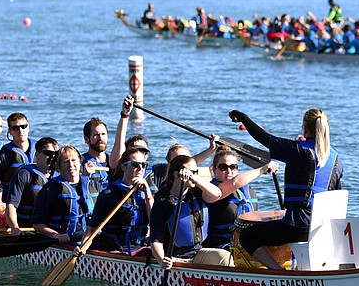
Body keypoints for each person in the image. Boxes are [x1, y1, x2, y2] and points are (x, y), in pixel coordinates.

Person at [228, 108, 343, 270]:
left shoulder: (298, 151)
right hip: (323, 228)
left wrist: (243, 117)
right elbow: (337, 195)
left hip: (298, 227)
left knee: (247, 236)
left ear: (304, 127)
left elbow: (266, 139)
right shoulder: (336, 158)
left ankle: (279, 272)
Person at [147, 155, 223, 269]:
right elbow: (156, 240)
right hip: (174, 257)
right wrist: (162, 260)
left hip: (196, 253)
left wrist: (195, 179)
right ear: (176, 174)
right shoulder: (163, 202)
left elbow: (217, 194)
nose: (193, 176)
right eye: (191, 172)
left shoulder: (197, 194)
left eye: (195, 172)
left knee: (223, 256)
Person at [202, 147, 277, 249]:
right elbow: (234, 182)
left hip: (246, 243)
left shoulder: (249, 191)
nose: (229, 171)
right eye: (223, 167)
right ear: (214, 169)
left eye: (233, 167)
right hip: (220, 245)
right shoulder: (212, 191)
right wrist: (262, 169)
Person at [88, 147, 154, 253]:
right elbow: (91, 229)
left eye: (144, 165)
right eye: (135, 165)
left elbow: (154, 221)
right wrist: (83, 248)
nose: (140, 169)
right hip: (114, 249)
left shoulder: (147, 194)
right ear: (123, 167)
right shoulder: (108, 194)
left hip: (139, 248)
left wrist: (147, 192)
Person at [32, 145, 97, 246]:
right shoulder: (51, 188)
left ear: (80, 162)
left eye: (74, 160)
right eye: (66, 162)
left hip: (90, 240)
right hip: (65, 241)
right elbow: (37, 224)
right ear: (59, 166)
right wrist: (56, 235)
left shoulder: (92, 185)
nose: (71, 165)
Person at [4, 137, 58, 235]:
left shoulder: (59, 176)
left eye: (55, 154)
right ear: (37, 155)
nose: (52, 157)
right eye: (48, 154)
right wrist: (15, 228)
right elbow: (11, 205)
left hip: (51, 230)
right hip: (26, 229)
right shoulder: (24, 174)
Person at [0, 112, 36, 192]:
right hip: (11, 201)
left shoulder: (41, 150)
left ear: (28, 128)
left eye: (23, 126)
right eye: (15, 128)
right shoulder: (2, 156)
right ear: (9, 131)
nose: (20, 131)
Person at [80, 116, 111, 193]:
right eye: (96, 135)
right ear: (86, 139)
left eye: (103, 134)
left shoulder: (114, 163)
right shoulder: (79, 163)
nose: (101, 138)